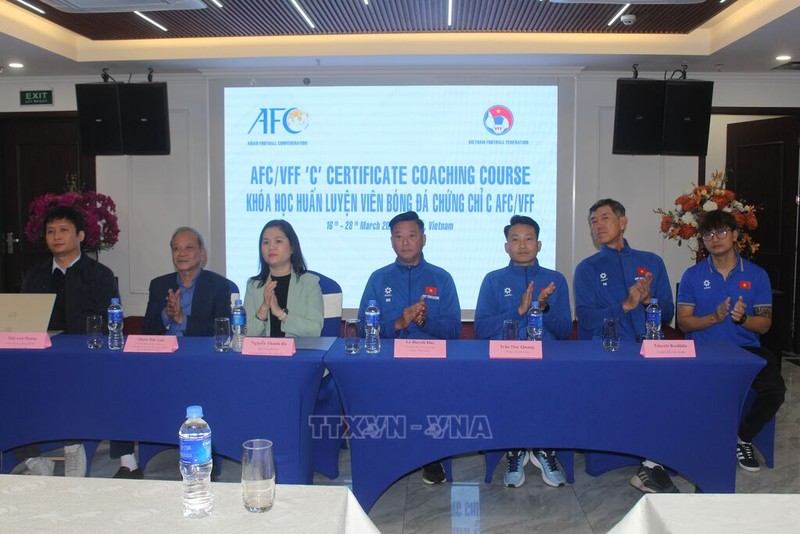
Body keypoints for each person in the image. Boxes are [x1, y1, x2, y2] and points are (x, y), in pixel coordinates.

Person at [111, 227, 234, 479]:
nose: (181, 253)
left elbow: (222, 331)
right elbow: (147, 330)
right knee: (119, 378)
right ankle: (128, 462)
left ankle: (201, 460)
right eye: (176, 248)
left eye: (188, 247)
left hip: (200, 361)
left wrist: (183, 319)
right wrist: (167, 316)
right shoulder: (159, 285)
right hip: (161, 359)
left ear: (203, 253)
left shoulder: (219, 286)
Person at [573, 199, 678, 494]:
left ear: (624, 221)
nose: (598, 225)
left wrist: (647, 301)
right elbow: (587, 319)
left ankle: (653, 464)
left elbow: (667, 311)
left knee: (677, 387)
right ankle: (651, 465)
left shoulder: (652, 261)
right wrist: (625, 305)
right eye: (593, 221)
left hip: (650, 349)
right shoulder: (587, 268)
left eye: (605, 218)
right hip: (608, 352)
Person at [676, 210, 785, 472]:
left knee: (775, 389)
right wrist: (713, 318)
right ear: (702, 240)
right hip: (703, 350)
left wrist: (743, 319)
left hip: (746, 350)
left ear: (735, 235)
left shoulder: (757, 275)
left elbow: (765, 323)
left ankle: (743, 437)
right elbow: (683, 322)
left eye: (722, 232)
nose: (715, 239)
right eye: (708, 234)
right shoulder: (692, 275)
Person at [358, 211, 461, 484]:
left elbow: (454, 331)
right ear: (391, 241)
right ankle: (386, 454)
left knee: (432, 387)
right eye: (398, 236)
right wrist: (399, 323)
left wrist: (426, 323)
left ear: (424, 239)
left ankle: (431, 455)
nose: (405, 242)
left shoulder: (442, 278)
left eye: (412, 235)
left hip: (432, 361)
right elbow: (361, 329)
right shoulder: (378, 279)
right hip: (389, 360)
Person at [17, 205, 119, 478]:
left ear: (81, 236)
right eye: (50, 231)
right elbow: (25, 318)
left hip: (83, 357)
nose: (56, 236)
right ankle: (32, 459)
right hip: (39, 356)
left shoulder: (100, 275)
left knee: (70, 386)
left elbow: (109, 323)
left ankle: (73, 447)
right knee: (12, 388)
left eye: (63, 230)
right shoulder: (35, 275)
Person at [475, 215, 572, 488]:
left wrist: (543, 307)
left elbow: (564, 330)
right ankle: (515, 451)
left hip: (548, 359)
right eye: (515, 240)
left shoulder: (556, 280)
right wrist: (518, 310)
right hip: (506, 359)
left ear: (539, 245)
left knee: (552, 389)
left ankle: (544, 450)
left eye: (529, 239)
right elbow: (482, 328)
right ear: (506, 247)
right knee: (508, 388)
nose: (522, 245)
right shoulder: (493, 280)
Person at [243, 220, 323, 337]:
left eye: (278, 241)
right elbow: (245, 334)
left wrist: (281, 314)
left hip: (298, 353)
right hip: (263, 354)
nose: (271, 247)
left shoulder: (309, 283)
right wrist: (264, 308)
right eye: (266, 242)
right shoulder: (253, 286)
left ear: (292, 248)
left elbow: (315, 330)